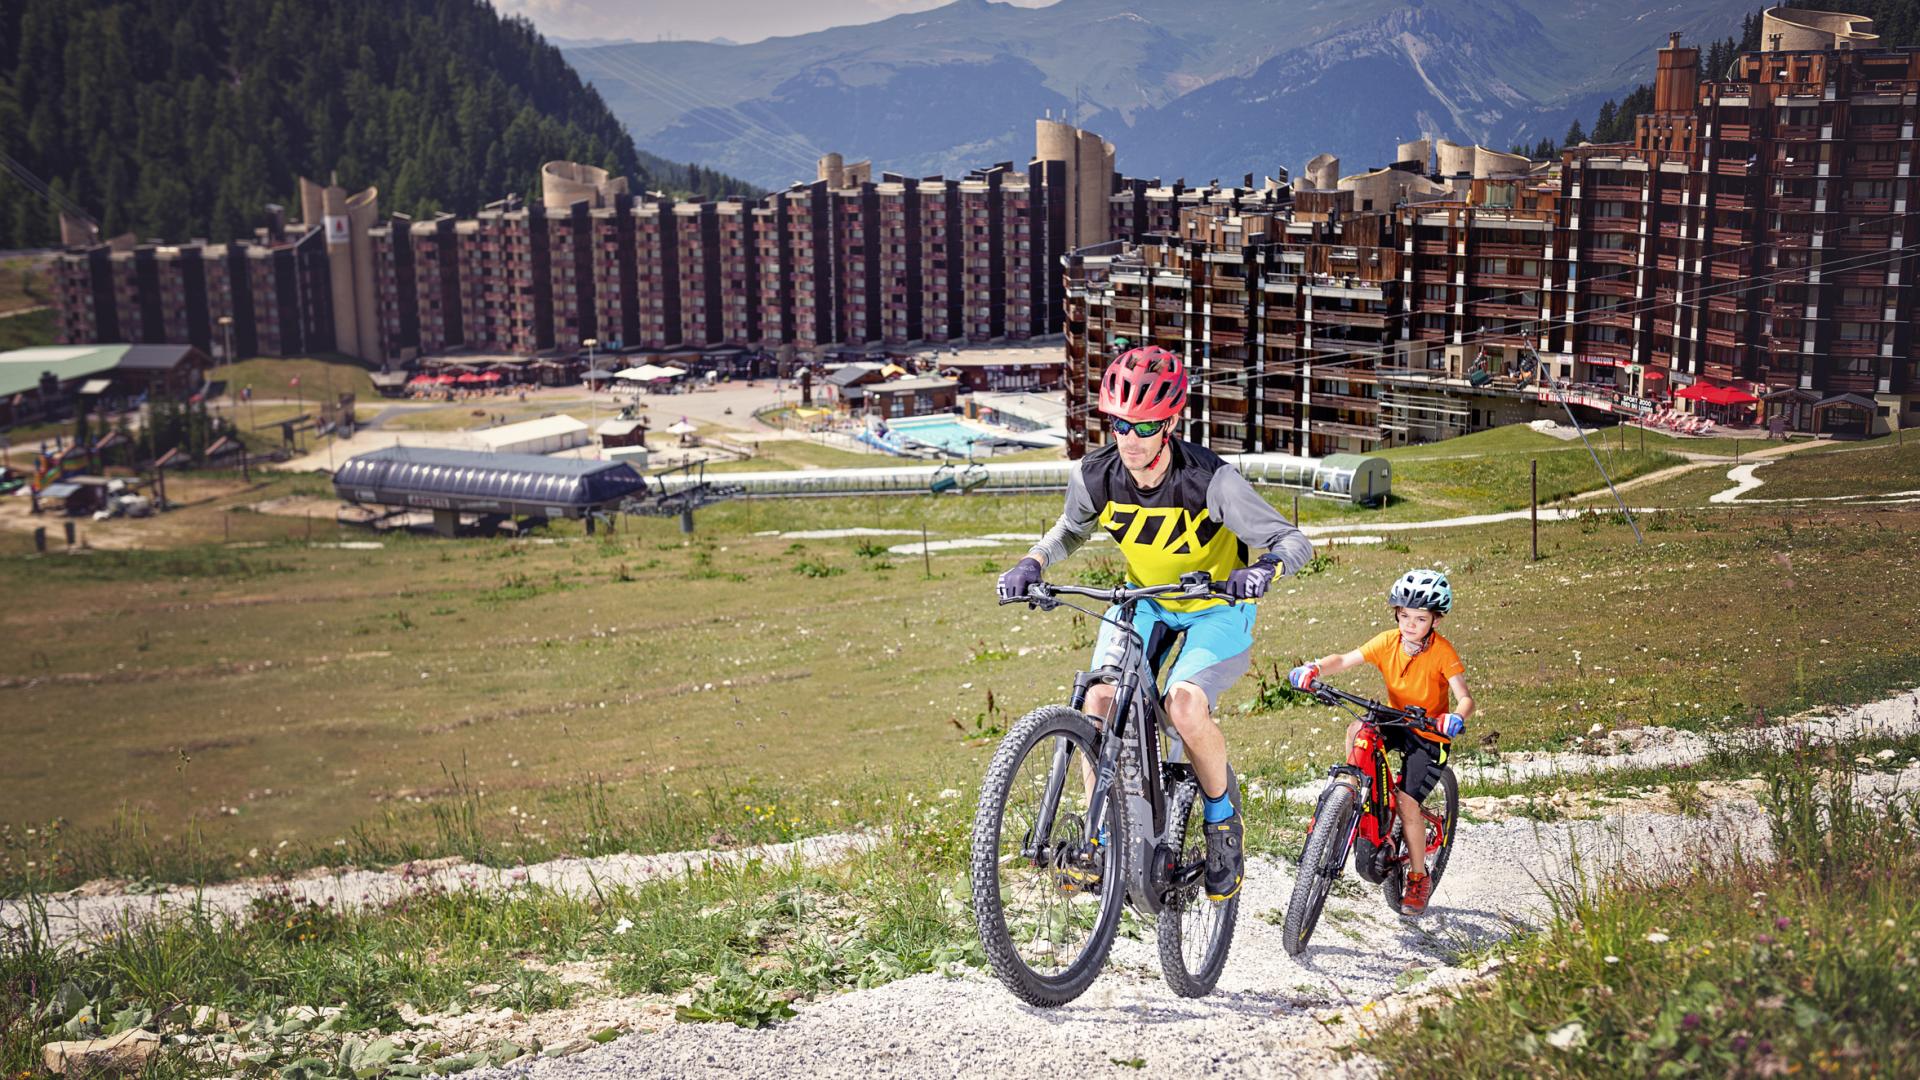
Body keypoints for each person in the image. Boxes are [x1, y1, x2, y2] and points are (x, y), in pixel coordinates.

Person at [997, 345, 1313, 902]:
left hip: (1217, 606)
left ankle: (1222, 823)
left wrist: (1261, 571)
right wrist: (1034, 561)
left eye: (1144, 426)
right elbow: (1070, 529)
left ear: (1168, 423)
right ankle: (1098, 840)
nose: (1130, 439)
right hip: (1145, 600)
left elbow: (1293, 541)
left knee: (1184, 705)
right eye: (1120, 424)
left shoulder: (1212, 481)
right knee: (1097, 702)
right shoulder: (1096, 476)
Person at [1288, 569, 1475, 916]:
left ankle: (1419, 877)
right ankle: (1355, 792)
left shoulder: (1442, 652)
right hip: (1397, 719)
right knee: (1359, 729)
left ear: (1435, 619)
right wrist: (1315, 668)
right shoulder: (1388, 641)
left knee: (1407, 805)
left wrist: (1456, 718)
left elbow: (1464, 697)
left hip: (1429, 732)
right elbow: (1345, 660)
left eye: (1420, 618)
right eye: (1404, 616)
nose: (1410, 624)